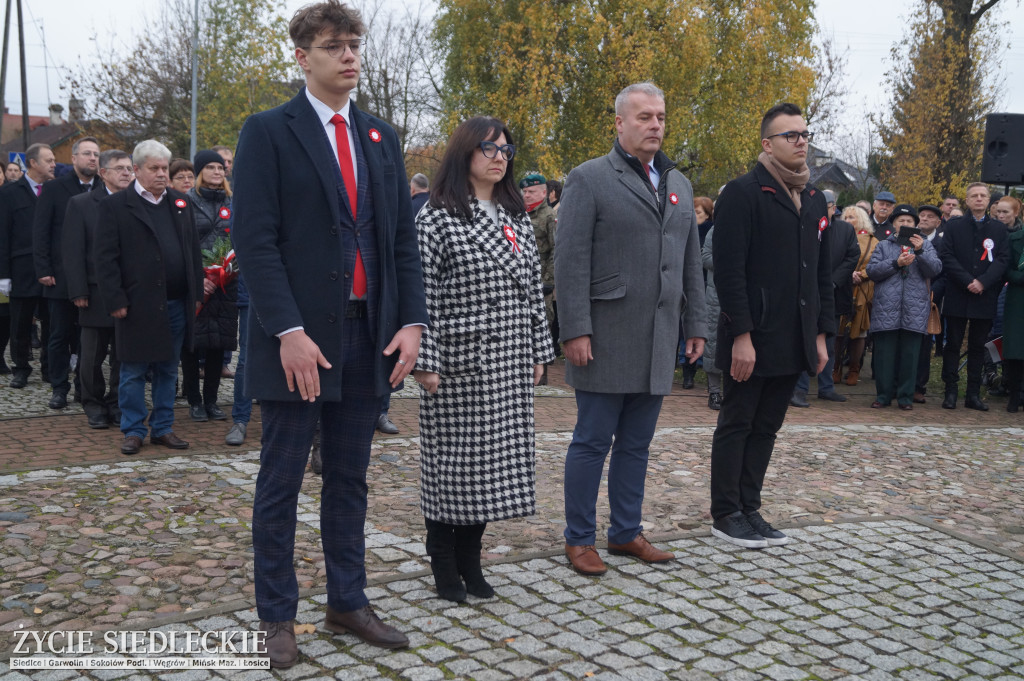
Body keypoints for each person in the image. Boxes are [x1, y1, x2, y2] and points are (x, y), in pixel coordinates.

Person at [230, 0, 428, 667]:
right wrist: (285, 328)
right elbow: (254, 241)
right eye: (334, 45)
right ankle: (277, 615)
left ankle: (348, 598)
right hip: (297, 341)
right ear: (302, 56)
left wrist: (410, 320)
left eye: (354, 44)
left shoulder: (380, 136)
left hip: (366, 333)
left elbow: (401, 237)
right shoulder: (268, 131)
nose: (349, 55)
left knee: (349, 478)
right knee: (281, 480)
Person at [555, 82, 707, 576]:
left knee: (637, 444)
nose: (655, 125)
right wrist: (575, 328)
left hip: (660, 336)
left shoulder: (678, 183)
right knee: (592, 440)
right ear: (620, 123)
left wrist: (695, 323)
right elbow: (571, 260)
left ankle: (625, 531)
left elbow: (689, 265)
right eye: (644, 117)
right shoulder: (589, 178)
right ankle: (578, 538)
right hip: (604, 336)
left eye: (660, 116)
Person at [413, 116, 553, 602]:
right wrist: (424, 360)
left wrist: (539, 348)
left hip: (510, 358)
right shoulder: (435, 216)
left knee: (491, 467)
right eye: (488, 148)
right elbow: (422, 294)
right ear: (465, 153)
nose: (498, 157)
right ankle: (443, 559)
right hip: (459, 360)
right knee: (454, 465)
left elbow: (534, 289)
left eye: (505, 151)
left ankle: (472, 562)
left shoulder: (514, 215)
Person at [710, 102, 832, 549]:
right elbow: (728, 272)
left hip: (795, 334)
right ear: (767, 144)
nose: (801, 141)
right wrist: (741, 335)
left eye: (804, 133)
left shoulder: (814, 197)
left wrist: (821, 334)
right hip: (754, 334)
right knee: (737, 423)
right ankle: (725, 513)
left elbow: (819, 274)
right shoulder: (742, 193)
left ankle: (750, 507)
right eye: (790, 135)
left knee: (767, 427)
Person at [95, 140, 203, 455]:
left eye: (164, 168)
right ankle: (133, 430)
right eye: (154, 168)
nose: (160, 174)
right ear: (138, 169)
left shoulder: (180, 203)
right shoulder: (116, 206)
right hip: (136, 305)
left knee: (169, 368)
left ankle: (163, 428)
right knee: (133, 370)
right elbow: (105, 259)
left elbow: (192, 251)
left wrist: (195, 293)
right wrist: (115, 299)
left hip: (175, 303)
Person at [62, 149, 133, 429]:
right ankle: (93, 404)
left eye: (129, 168)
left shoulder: (136, 202)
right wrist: (78, 290)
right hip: (94, 292)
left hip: (128, 291)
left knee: (123, 354)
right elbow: (73, 251)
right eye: (120, 168)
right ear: (104, 173)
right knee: (91, 355)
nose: (127, 173)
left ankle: (117, 403)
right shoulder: (81, 204)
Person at [33, 137, 103, 410]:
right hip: (60, 277)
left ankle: (82, 387)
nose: (93, 159)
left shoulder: (103, 188)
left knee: (89, 337)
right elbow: (41, 231)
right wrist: (43, 268)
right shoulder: (54, 189)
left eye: (96, 154)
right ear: (73, 158)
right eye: (87, 154)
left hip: (94, 279)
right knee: (59, 334)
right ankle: (59, 387)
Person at [939, 182, 1009, 411]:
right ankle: (950, 391)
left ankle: (972, 394)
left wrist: (983, 282)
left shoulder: (999, 230)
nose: (979, 199)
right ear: (967, 201)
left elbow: (1002, 259)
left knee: (978, 346)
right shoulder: (954, 226)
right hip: (958, 293)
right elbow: (946, 256)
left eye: (983, 196)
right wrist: (968, 280)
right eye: (974, 196)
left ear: (989, 201)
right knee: (953, 345)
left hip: (984, 295)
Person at [865, 205, 942, 410]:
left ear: (916, 225)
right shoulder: (883, 246)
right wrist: (896, 263)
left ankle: (906, 397)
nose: (905, 224)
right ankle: (883, 395)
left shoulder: (925, 245)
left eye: (909, 221)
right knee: (884, 356)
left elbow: (935, 269)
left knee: (910, 355)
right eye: (901, 221)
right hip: (886, 308)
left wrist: (921, 251)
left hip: (914, 308)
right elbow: (872, 271)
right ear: (894, 224)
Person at [180, 149, 237, 422]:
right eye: (211, 167)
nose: (217, 171)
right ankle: (194, 400)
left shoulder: (233, 201)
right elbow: (181, 243)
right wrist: (197, 278)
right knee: (192, 343)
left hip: (227, 282)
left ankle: (212, 400)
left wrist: (228, 270)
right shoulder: (186, 201)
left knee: (218, 343)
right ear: (200, 172)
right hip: (196, 281)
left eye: (221, 167)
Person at [0, 143, 56, 389]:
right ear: (33, 163)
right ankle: (21, 368)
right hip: (21, 267)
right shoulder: (11, 193)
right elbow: (3, 234)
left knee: (52, 323)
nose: (54, 164)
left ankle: (49, 368)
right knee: (20, 323)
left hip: (52, 268)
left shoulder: (55, 190)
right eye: (49, 160)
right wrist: (4, 275)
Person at [792, 199, 858, 406]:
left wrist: (833, 281)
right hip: (805, 293)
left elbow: (852, 256)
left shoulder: (845, 230)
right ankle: (800, 388)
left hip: (833, 295)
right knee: (804, 340)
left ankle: (826, 387)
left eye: (830, 207)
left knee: (829, 343)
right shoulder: (803, 226)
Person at [834, 205, 878, 387]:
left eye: (852, 217)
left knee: (858, 332)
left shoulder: (873, 241)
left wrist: (861, 274)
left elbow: (876, 263)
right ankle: (835, 367)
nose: (848, 220)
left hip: (862, 290)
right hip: (841, 287)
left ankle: (854, 368)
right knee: (837, 330)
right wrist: (847, 273)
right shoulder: (837, 237)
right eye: (845, 217)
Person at [521, 172, 558, 382]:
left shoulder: (548, 216)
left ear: (544, 193)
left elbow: (556, 250)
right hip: (524, 279)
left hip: (542, 279)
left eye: (531, 191)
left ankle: (542, 373)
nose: (526, 195)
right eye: (525, 191)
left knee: (543, 321)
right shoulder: (521, 214)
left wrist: (548, 280)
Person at [1003, 200, 1024, 412]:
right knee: (1016, 349)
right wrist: (1019, 277)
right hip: (1018, 299)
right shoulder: (1015, 239)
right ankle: (1014, 395)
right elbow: (1005, 268)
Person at [701, 222, 722, 410]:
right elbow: (705, 256)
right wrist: (729, 263)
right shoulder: (716, 229)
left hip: (743, 295)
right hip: (716, 296)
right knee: (713, 343)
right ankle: (714, 391)